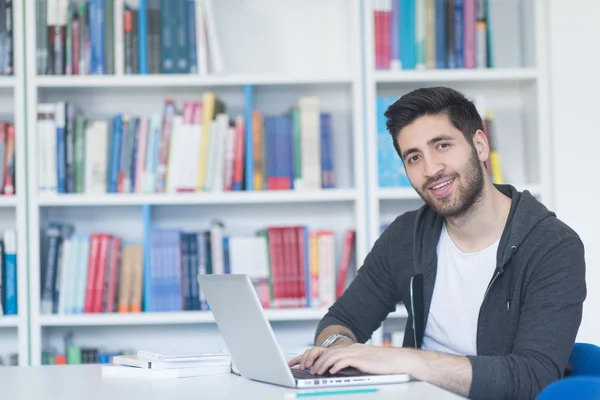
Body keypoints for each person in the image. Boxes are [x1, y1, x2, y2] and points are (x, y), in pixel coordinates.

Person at [288, 87, 587, 400]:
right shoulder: (405, 235)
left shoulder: (553, 246)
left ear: (480, 145)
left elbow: (532, 379)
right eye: (414, 157)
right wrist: (340, 350)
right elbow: (341, 321)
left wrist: (402, 360)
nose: (430, 170)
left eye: (442, 145)